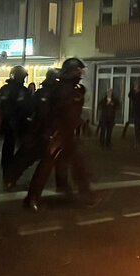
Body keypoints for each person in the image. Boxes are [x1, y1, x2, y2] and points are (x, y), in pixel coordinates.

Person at [23, 58, 105, 212]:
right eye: (79, 71)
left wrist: (81, 124)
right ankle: (31, 199)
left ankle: (84, 194)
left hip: (67, 134)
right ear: (73, 71)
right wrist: (53, 131)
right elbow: (58, 112)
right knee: (46, 167)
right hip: (57, 134)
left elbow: (72, 113)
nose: (81, 74)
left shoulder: (73, 89)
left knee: (78, 165)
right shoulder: (61, 89)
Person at [3, 68, 69, 193]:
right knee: (29, 157)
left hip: (48, 132)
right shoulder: (45, 94)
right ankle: (13, 180)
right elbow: (35, 112)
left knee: (56, 159)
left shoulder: (50, 94)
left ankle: (61, 185)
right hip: (41, 132)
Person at [0, 65, 32, 179]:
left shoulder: (4, 89)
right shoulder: (23, 91)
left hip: (8, 122)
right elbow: (27, 108)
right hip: (19, 123)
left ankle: (7, 169)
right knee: (22, 148)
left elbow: (1, 105)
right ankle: (12, 171)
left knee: (8, 146)